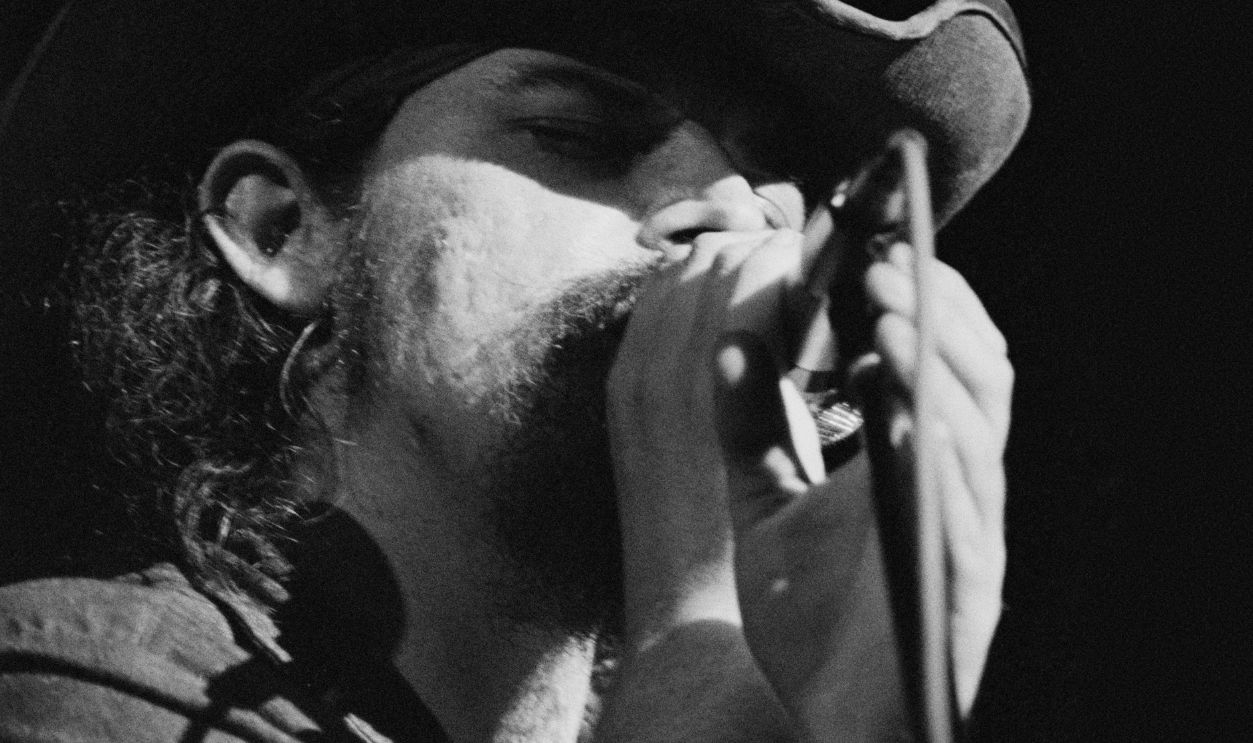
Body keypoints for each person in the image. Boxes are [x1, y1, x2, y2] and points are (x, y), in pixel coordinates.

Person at [0, 1, 1029, 741]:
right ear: (283, 227)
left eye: (782, 188)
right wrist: (702, 639)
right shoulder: (87, 681)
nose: (731, 209)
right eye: (573, 133)